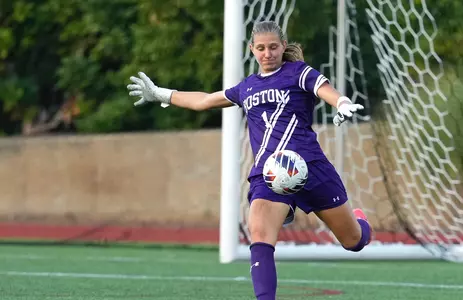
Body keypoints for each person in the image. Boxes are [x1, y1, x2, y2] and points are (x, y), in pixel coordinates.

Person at [127, 20, 372, 300]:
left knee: (353, 241)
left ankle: (361, 222)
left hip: (311, 167)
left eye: (273, 47)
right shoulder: (247, 87)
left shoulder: (298, 73)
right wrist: (162, 94)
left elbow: (323, 89)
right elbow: (204, 100)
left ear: (282, 47)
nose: (267, 53)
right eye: (261, 48)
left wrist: (341, 103)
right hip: (270, 174)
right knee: (259, 233)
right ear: (251, 49)